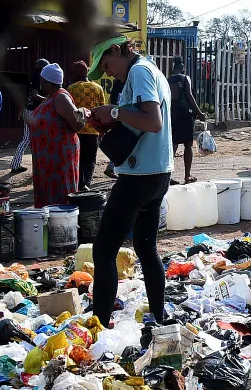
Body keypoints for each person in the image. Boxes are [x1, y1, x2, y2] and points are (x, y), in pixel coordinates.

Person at [87, 35, 173, 328]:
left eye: (107, 65)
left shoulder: (139, 71)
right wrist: (108, 119)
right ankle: (160, 318)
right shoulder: (150, 69)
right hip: (158, 173)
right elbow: (138, 119)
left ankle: (97, 328)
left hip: (140, 175)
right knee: (146, 248)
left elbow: (153, 120)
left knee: (104, 250)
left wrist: (113, 112)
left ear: (115, 50)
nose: (108, 72)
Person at [25, 63, 88, 208]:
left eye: (42, 79)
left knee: (59, 196)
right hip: (47, 160)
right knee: (48, 197)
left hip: (59, 159)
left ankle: (62, 226)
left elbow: (78, 124)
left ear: (48, 81)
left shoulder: (60, 97)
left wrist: (82, 113)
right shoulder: (50, 97)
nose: (40, 82)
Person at [68, 60, 106, 190]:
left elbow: (70, 110)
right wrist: (102, 131)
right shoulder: (98, 88)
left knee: (78, 159)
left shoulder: (72, 88)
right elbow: (102, 109)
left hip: (76, 131)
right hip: (93, 131)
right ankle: (86, 184)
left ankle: (79, 183)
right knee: (90, 160)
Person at [168, 57, 205, 184]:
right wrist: (199, 112)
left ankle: (168, 176)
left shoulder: (168, 80)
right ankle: (187, 176)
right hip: (184, 113)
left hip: (172, 113)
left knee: (173, 145)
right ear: (183, 69)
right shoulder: (185, 78)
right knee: (188, 144)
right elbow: (189, 95)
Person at [11, 58, 49, 174]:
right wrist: (48, 99)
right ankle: (17, 165)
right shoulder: (38, 77)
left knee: (28, 138)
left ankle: (16, 164)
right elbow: (34, 95)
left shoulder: (34, 77)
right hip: (33, 112)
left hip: (29, 111)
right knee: (33, 138)